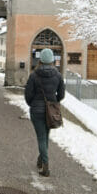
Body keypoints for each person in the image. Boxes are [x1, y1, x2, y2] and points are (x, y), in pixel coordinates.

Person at [23, 48, 64, 177]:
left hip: (36, 110)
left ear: (41, 60)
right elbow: (61, 94)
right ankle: (41, 160)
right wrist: (53, 102)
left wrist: (33, 104)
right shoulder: (58, 75)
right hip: (50, 111)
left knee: (42, 137)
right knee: (45, 136)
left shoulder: (34, 75)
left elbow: (28, 94)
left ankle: (45, 165)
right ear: (52, 60)